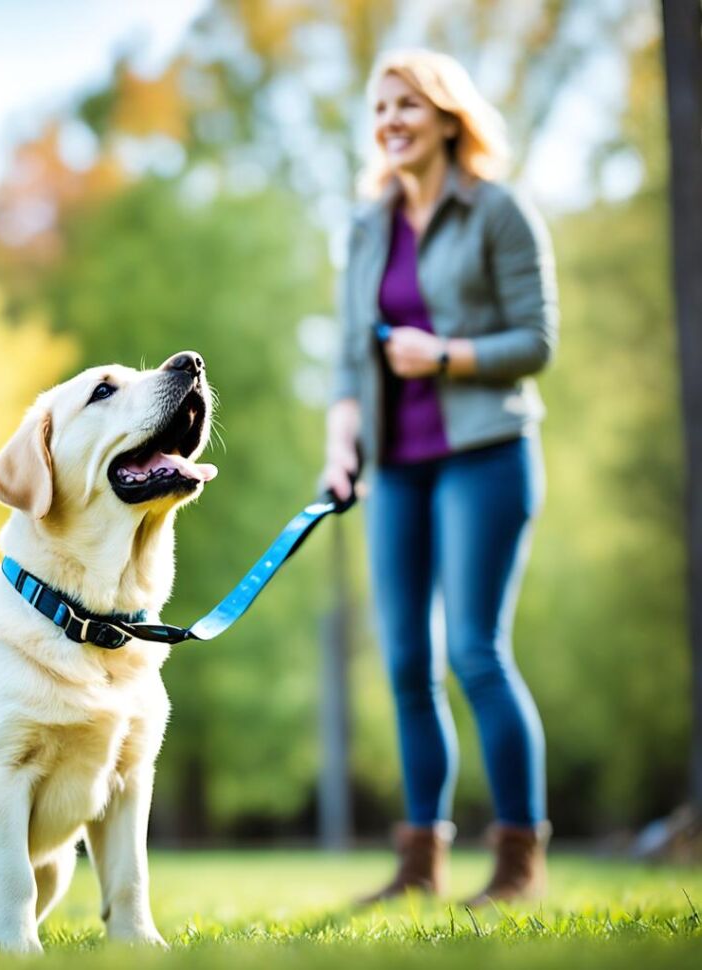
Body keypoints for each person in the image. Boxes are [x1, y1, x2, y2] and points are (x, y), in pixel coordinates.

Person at [323, 48, 558, 905]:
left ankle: (516, 865)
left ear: (450, 117)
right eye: (380, 107)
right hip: (399, 471)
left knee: (475, 652)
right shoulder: (365, 225)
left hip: (486, 456)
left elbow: (538, 341)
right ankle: (419, 867)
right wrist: (340, 441)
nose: (389, 122)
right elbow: (351, 355)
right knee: (404, 665)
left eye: (407, 106)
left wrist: (448, 356)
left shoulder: (498, 211)